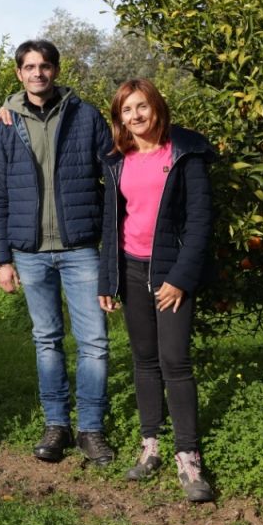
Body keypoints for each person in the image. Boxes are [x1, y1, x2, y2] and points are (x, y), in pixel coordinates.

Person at [0, 39, 116, 466]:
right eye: (29, 67)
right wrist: (1, 258)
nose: (37, 73)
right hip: (30, 250)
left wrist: (112, 247)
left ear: (56, 71)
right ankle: (56, 424)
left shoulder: (85, 115)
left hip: (80, 247)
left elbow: (112, 180)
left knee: (94, 342)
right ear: (19, 73)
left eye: (44, 66)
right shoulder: (6, 125)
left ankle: (91, 430)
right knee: (47, 340)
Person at [97, 78, 216, 502]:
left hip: (170, 272)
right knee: (144, 361)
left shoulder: (185, 152)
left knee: (175, 362)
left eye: (141, 107)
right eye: (127, 111)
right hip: (130, 268)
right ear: (119, 119)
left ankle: (189, 454)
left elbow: (201, 221)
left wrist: (181, 277)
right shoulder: (116, 159)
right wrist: (107, 279)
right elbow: (112, 225)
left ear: (156, 107)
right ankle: (151, 445)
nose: (136, 116)